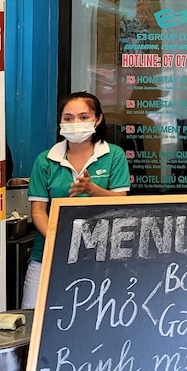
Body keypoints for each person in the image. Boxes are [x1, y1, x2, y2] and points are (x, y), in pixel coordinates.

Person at [22, 91, 131, 308]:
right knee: (34, 313)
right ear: (60, 121)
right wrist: (57, 238)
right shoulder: (45, 160)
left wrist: (92, 190)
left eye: (83, 117)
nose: (75, 123)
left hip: (100, 254)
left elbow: (122, 202)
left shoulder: (114, 155)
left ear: (97, 119)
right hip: (48, 254)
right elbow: (38, 211)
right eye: (68, 118)